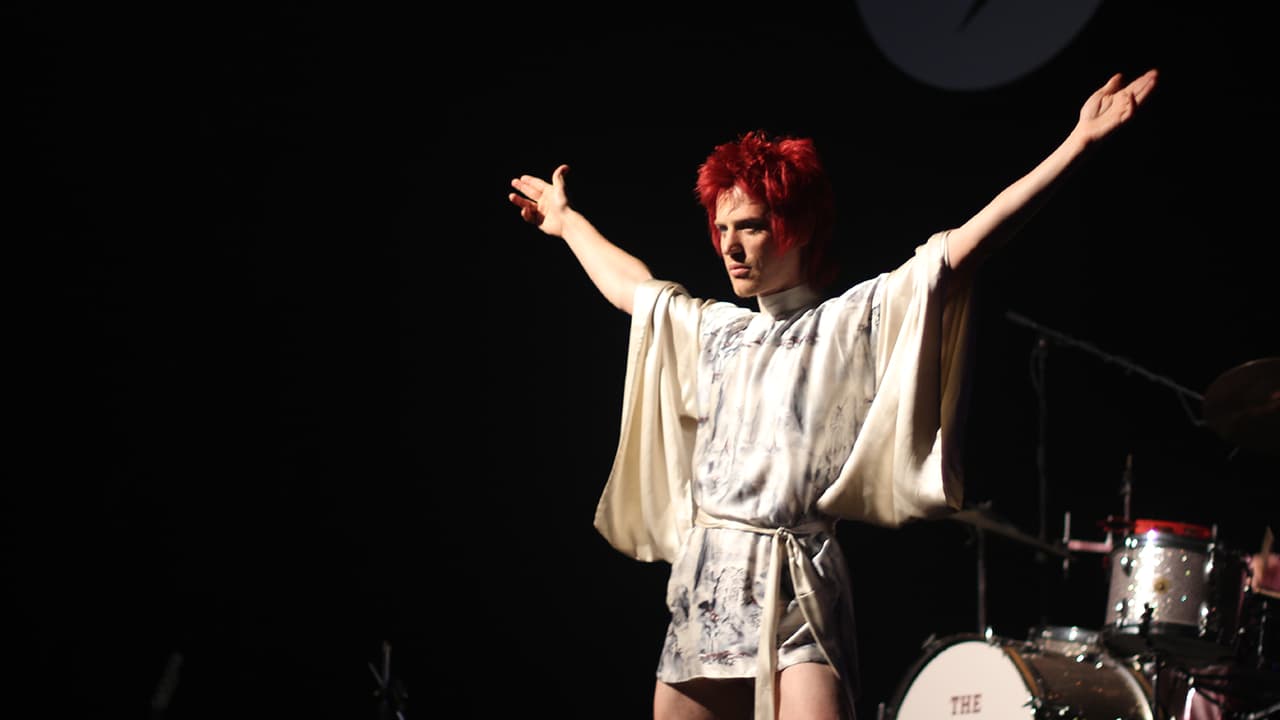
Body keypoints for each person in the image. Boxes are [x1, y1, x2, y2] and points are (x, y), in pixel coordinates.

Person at [507, 69, 1159, 720]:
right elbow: (637, 291)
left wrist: (1076, 145)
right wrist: (566, 223)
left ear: (794, 228)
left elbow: (962, 250)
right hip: (710, 579)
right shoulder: (717, 329)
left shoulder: (849, 321)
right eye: (721, 228)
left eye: (749, 226)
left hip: (796, 581)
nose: (730, 246)